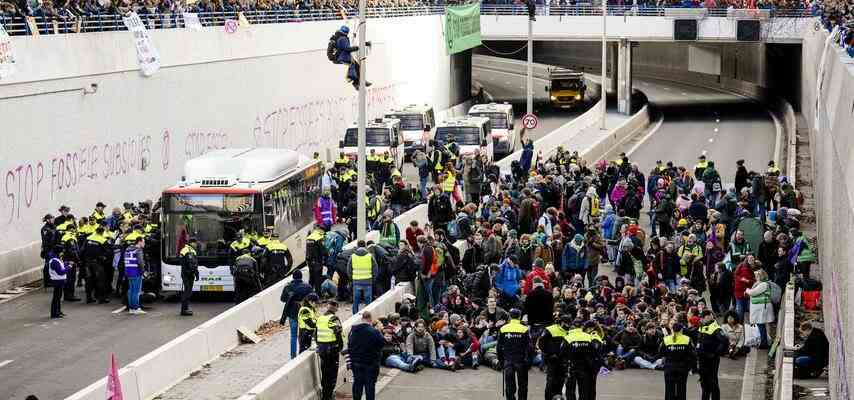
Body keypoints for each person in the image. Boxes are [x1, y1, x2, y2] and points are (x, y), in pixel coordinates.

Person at [347, 311, 386, 400]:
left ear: (362, 319)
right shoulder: (374, 332)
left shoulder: (353, 331)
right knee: (370, 386)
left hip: (356, 362)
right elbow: (382, 343)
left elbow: (349, 345)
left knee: (357, 384)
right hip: (370, 363)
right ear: (370, 319)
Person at [497, 308, 533, 400]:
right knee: (523, 385)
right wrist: (529, 362)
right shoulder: (524, 329)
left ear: (510, 316)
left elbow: (499, 347)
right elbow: (529, 347)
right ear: (520, 317)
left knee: (509, 385)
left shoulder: (503, 328)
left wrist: (501, 361)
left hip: (508, 360)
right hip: (521, 361)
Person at [562, 319, 600, 400]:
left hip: (571, 367)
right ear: (582, 326)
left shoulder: (568, 337)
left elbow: (562, 352)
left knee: (570, 389)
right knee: (583, 390)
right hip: (585, 367)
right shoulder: (589, 337)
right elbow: (593, 351)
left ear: (573, 326)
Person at [280, 270, 314, 358]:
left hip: (292, 313)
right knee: (304, 333)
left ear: (293, 277)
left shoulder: (288, 287)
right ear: (301, 277)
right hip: (304, 313)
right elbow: (313, 298)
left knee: (293, 335)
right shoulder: (307, 287)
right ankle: (304, 352)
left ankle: (293, 355)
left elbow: (282, 299)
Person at [697, 310, 729, 400]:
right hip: (702, 359)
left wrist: (716, 353)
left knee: (712, 382)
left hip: (711, 360)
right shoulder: (702, 326)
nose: (701, 319)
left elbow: (724, 341)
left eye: (702, 318)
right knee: (704, 382)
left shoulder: (715, 328)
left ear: (707, 317)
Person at [660, 322, 696, 400]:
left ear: (672, 329)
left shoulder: (666, 339)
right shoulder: (687, 339)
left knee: (669, 389)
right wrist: (693, 367)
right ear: (681, 330)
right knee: (681, 388)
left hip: (669, 367)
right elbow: (692, 354)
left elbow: (661, 352)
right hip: (682, 367)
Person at [539, 315, 571, 400]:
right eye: (567, 324)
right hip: (552, 360)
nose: (568, 326)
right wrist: (550, 354)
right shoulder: (550, 329)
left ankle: (558, 398)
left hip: (563, 360)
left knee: (560, 381)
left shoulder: (569, 331)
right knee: (550, 381)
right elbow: (541, 343)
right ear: (562, 322)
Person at [317, 301, 344, 400]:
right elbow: (338, 332)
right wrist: (340, 347)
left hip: (322, 350)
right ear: (335, 308)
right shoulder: (333, 318)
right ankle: (329, 396)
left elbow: (316, 335)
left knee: (324, 373)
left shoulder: (320, 318)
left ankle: (325, 395)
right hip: (332, 350)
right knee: (332, 374)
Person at [745, 269, 775, 349]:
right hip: (760, 307)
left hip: (762, 308)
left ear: (761, 276)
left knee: (761, 324)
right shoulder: (760, 283)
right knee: (760, 324)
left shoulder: (763, 284)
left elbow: (753, 292)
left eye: (757, 276)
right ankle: (764, 341)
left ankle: (764, 343)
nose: (756, 277)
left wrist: (747, 290)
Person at [334, 25, 370, 90]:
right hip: (345, 57)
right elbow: (347, 48)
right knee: (356, 67)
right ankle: (357, 81)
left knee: (356, 67)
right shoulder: (343, 38)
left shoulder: (340, 38)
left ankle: (358, 82)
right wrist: (356, 48)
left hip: (344, 56)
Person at [349, 240, 378, 314]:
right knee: (368, 301)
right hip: (368, 281)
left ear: (357, 246)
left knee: (356, 301)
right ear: (365, 246)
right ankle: (368, 315)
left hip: (356, 281)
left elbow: (349, 269)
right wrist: (372, 279)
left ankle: (354, 315)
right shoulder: (370, 256)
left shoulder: (353, 256)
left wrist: (352, 279)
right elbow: (375, 269)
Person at [124, 236, 146, 315]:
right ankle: (136, 308)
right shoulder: (138, 250)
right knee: (136, 291)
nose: (144, 244)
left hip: (128, 272)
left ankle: (131, 308)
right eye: (143, 242)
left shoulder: (127, 249)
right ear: (139, 242)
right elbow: (140, 262)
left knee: (131, 290)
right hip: (136, 272)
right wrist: (143, 272)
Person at [179, 238, 200, 316]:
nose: (196, 244)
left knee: (188, 291)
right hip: (188, 274)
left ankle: (185, 309)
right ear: (191, 243)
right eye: (195, 243)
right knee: (187, 291)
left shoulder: (187, 250)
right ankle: (184, 310)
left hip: (187, 274)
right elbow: (192, 264)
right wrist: (196, 273)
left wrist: (196, 273)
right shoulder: (188, 250)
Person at [47, 245, 68, 319]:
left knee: (58, 297)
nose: (62, 253)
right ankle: (54, 313)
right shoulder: (54, 261)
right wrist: (69, 267)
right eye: (61, 251)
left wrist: (66, 263)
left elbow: (61, 266)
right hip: (57, 281)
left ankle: (58, 311)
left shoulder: (57, 259)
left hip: (59, 281)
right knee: (56, 297)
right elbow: (61, 272)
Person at [306, 227, 327, 294]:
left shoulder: (309, 237)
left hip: (309, 261)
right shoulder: (319, 237)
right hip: (317, 261)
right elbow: (323, 250)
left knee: (311, 278)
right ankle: (318, 294)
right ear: (321, 230)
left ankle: (309, 293)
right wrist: (327, 255)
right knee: (318, 278)